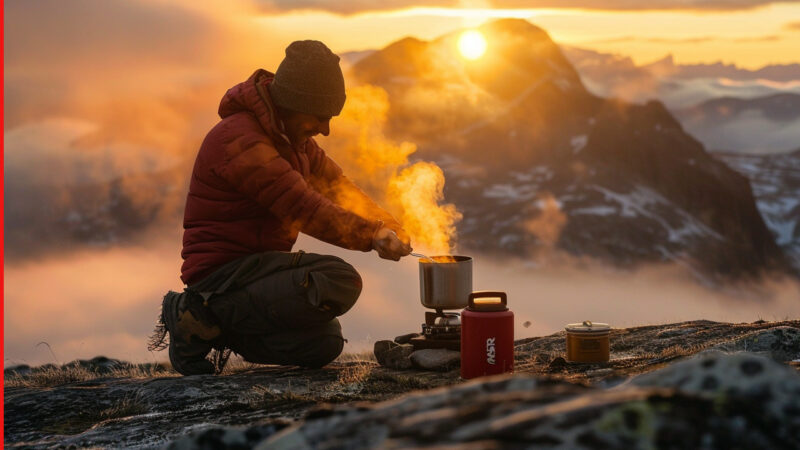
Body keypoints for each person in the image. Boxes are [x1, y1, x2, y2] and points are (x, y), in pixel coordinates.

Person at [148, 40, 411, 375]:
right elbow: (301, 207)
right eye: (320, 116)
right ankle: (194, 313)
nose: (325, 129)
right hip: (224, 274)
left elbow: (338, 187)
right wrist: (371, 235)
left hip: (257, 271)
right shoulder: (241, 141)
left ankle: (213, 332)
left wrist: (386, 222)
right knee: (339, 279)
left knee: (325, 342)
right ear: (293, 102)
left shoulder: (294, 141)